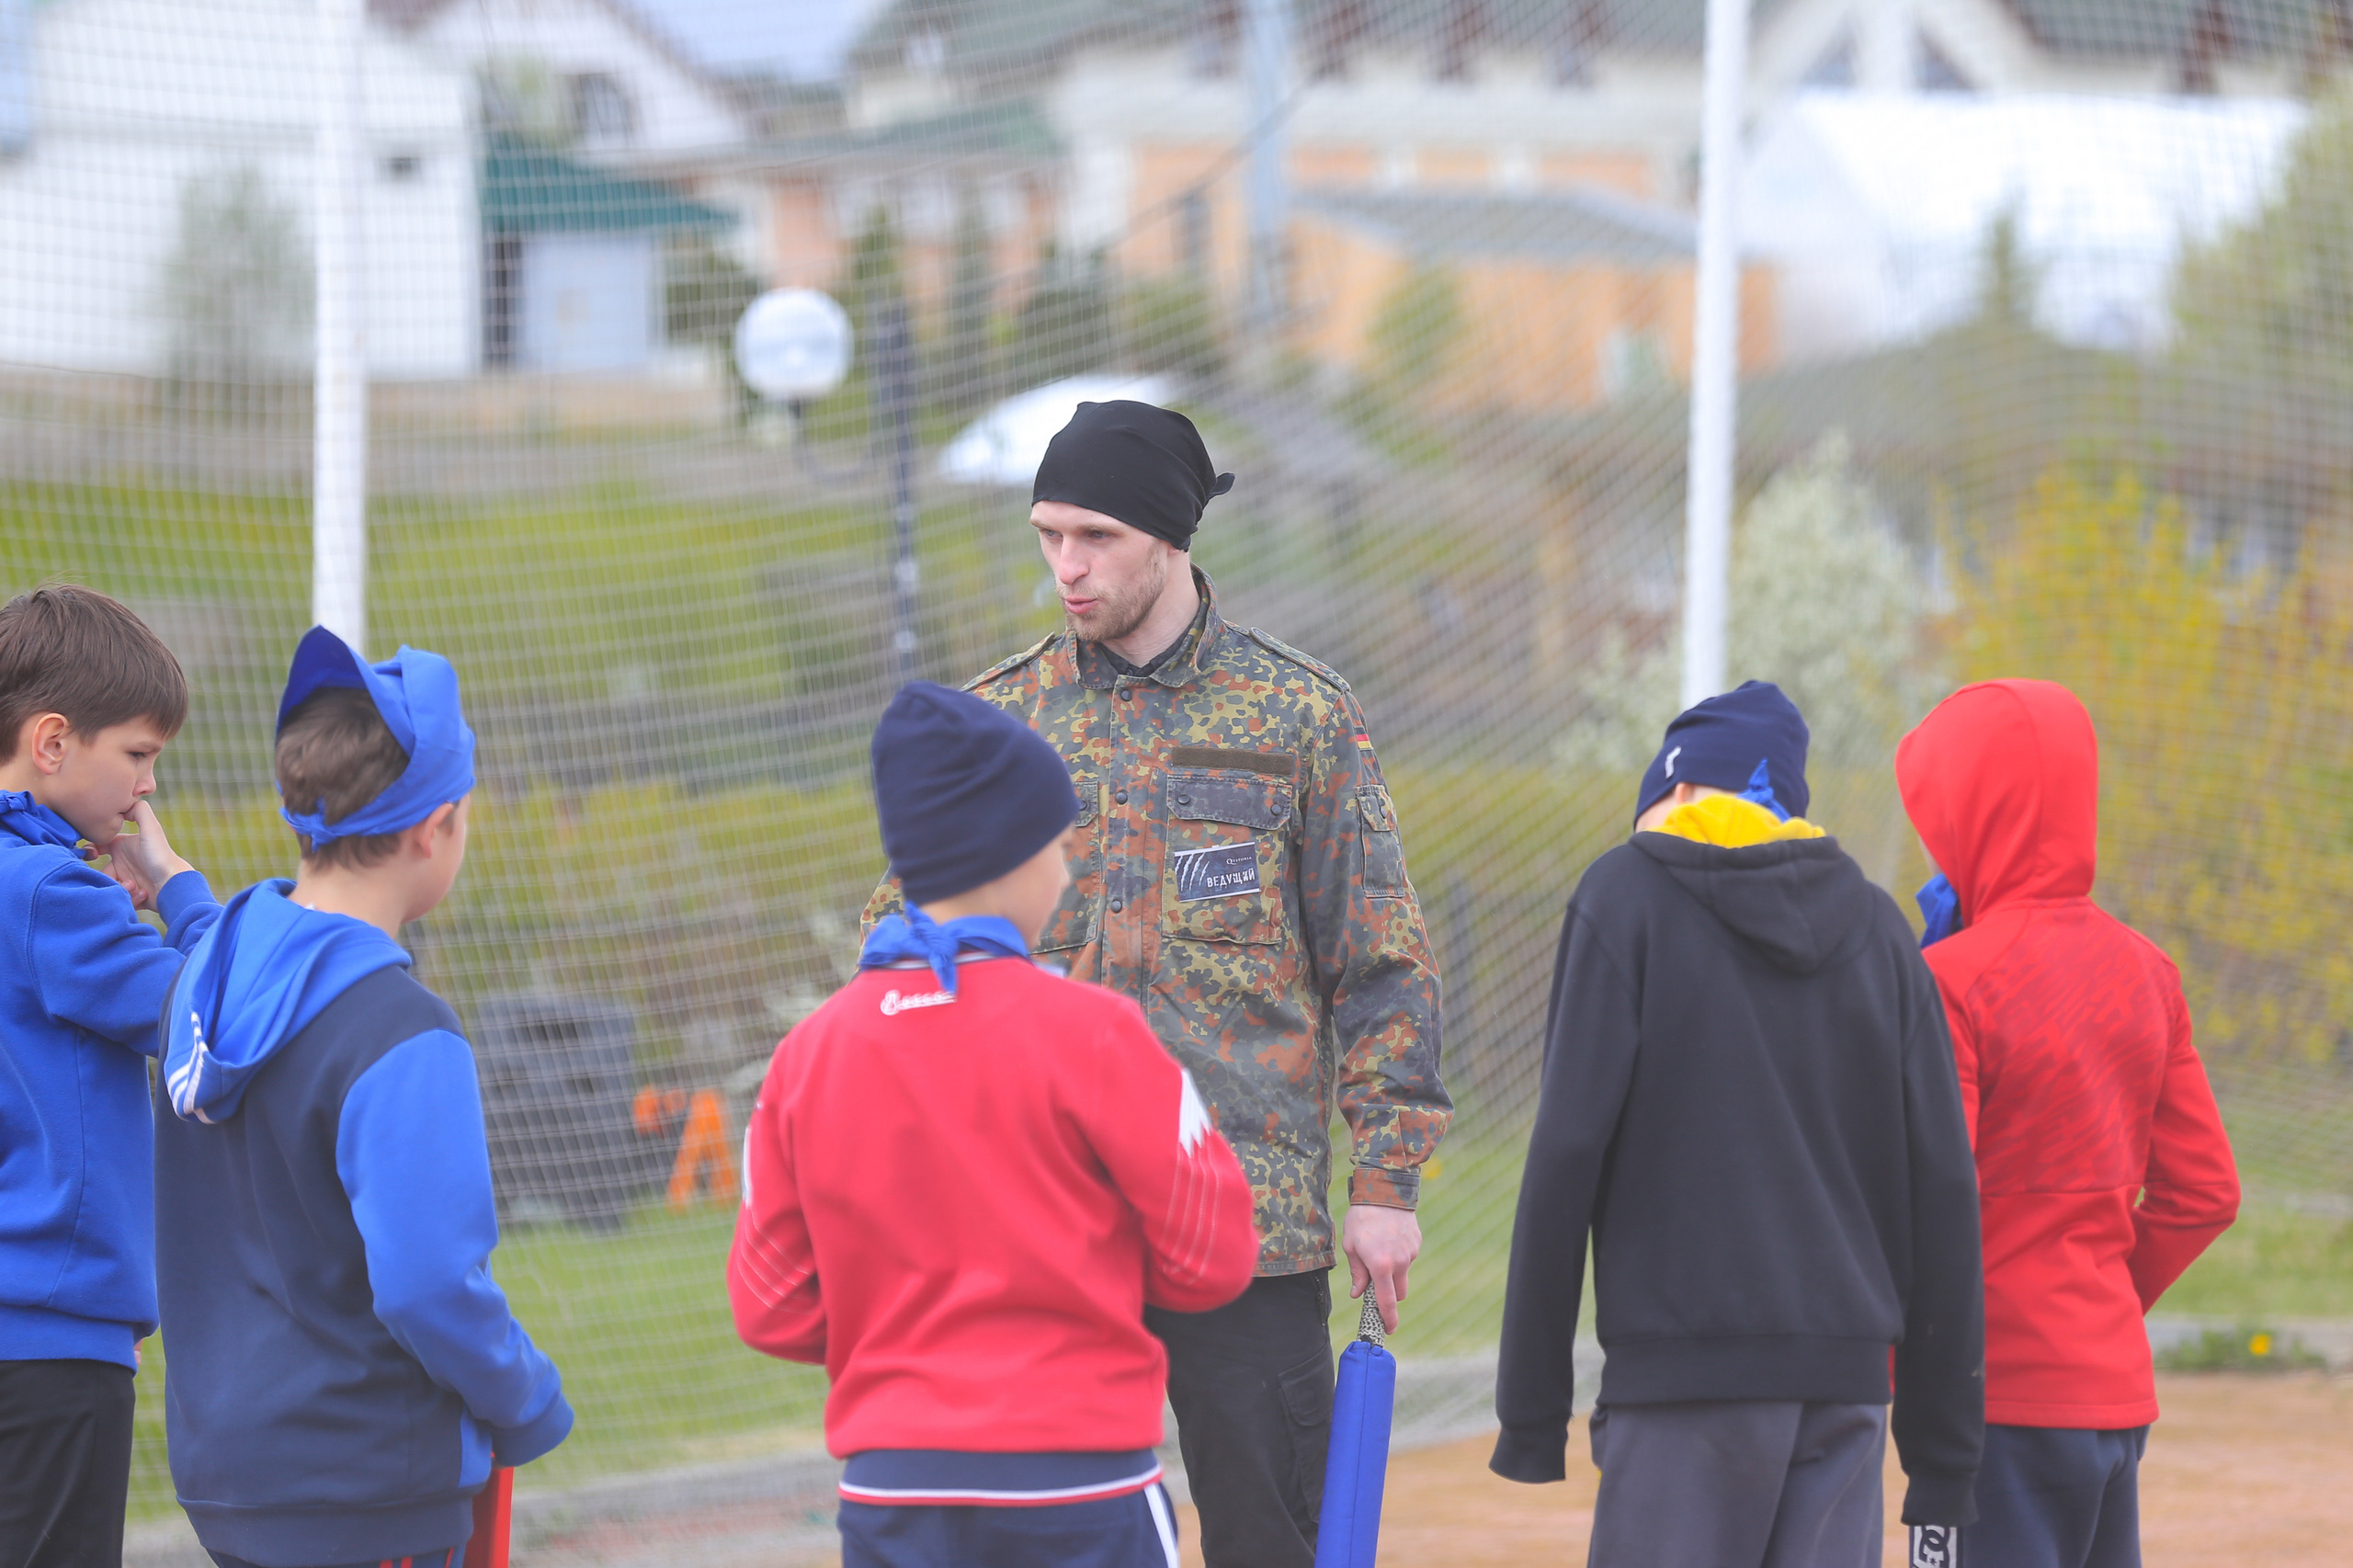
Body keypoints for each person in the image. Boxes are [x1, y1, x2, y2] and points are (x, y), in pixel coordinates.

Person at [863, 401, 1449, 1568]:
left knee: (1270, 1537)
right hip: (1044, 1223)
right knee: (1051, 1540)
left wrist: (1385, 1182)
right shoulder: (1001, 719)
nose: (1065, 567)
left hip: (1247, 1222)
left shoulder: (1299, 714)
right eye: (1047, 535)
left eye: (1095, 537)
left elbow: (1381, 963)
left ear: (1171, 536)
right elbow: (898, 949)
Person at [732, 681, 1257, 1568]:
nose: (1066, 868)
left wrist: (904, 1329)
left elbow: (770, 1304)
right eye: (1059, 844)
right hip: (1078, 1484)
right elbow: (1213, 1254)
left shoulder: (806, 1055)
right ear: (1010, 852)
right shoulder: (1094, 1033)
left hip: (894, 1488)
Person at [1490, 680, 1985, 1568]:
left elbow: (1566, 1153)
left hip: (1684, 1387)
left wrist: (1533, 1412)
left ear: (1677, 790)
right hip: (1845, 1391)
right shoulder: (1879, 929)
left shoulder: (1625, 895)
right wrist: (1942, 1456)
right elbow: (1945, 1188)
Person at [152, 628, 571, 1568]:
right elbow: (428, 1282)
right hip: (370, 1481)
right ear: (436, 825)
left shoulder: (202, 983)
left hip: (232, 1473)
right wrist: (527, 1397)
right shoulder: (400, 1028)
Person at [1895, 678, 2239, 1568]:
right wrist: (2100, 1300)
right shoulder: (2148, 969)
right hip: (2111, 1393)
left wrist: (1899, 1371)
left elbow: (1926, 1203)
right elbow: (2204, 1192)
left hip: (1992, 1401)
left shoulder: (1950, 978)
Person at [0, 585, 222, 1568]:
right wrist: (177, 889)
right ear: (52, 743)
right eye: (137, 756)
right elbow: (224, 1020)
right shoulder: (51, 892)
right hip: (49, 1325)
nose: (146, 791)